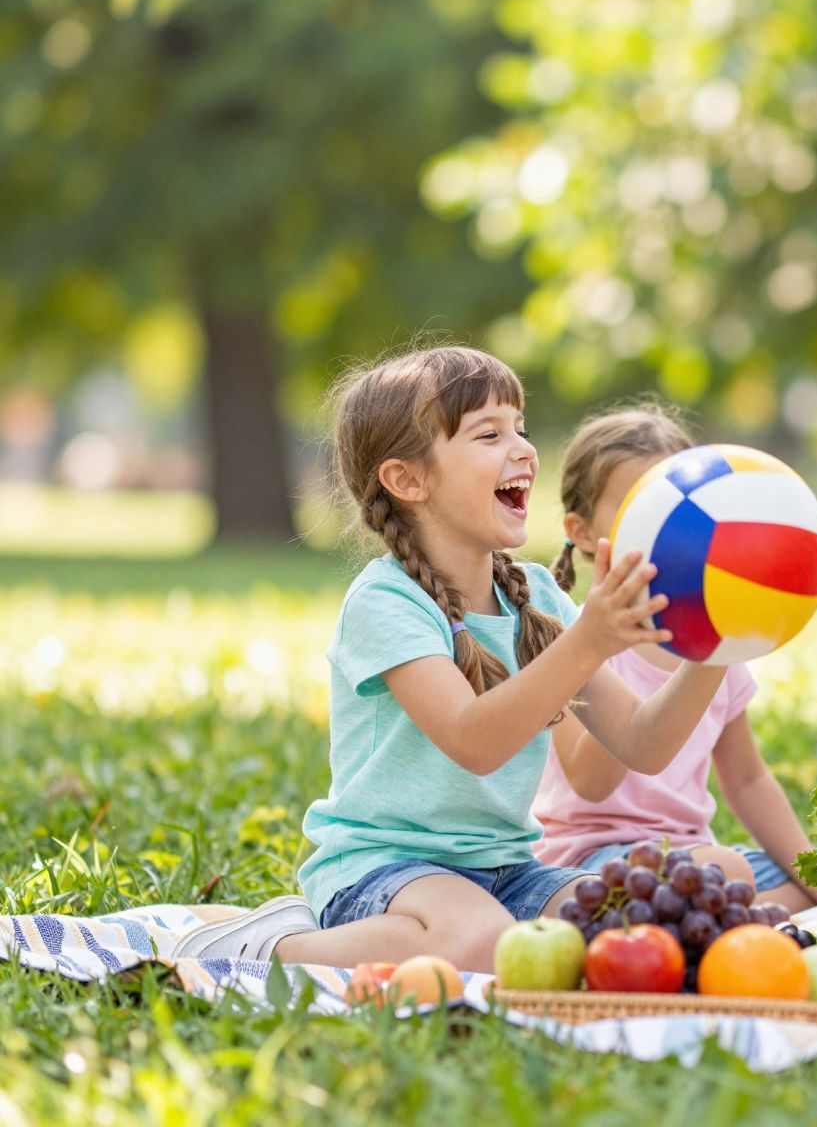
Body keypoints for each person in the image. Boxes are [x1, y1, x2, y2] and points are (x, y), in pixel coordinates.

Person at [170, 346, 727, 970]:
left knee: (643, 927)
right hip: (383, 869)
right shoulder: (386, 602)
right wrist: (589, 640)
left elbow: (643, 745)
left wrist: (718, 647)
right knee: (484, 943)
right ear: (408, 480)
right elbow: (474, 740)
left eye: (520, 427)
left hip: (508, 869)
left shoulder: (538, 597)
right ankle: (274, 945)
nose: (522, 449)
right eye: (489, 434)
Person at [533, 406, 817, 913]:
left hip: (695, 854)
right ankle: (711, 917)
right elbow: (588, 780)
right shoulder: (569, 643)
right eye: (643, 505)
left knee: (793, 879)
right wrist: (609, 640)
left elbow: (748, 779)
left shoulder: (720, 654)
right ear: (582, 533)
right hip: (586, 860)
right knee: (729, 873)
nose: (673, 526)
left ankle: (711, 918)